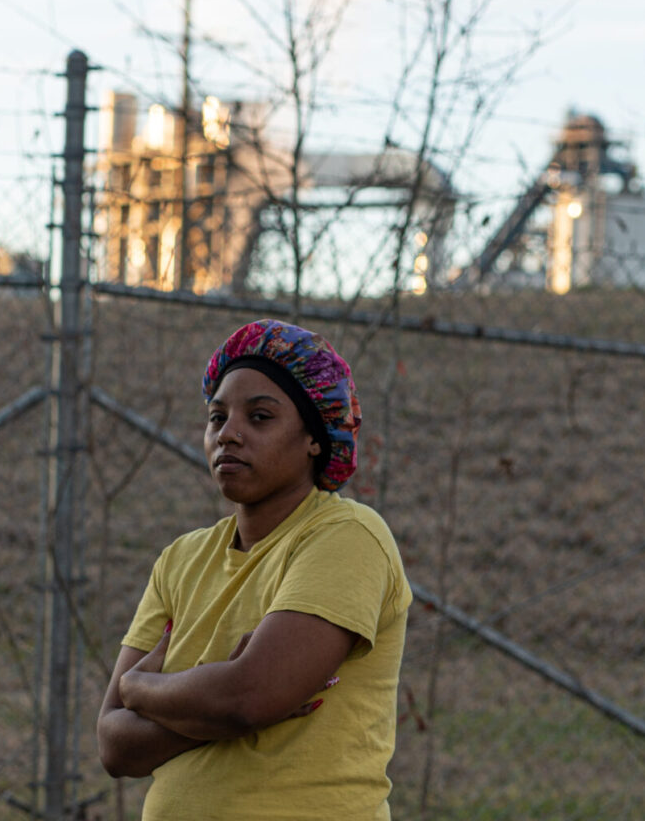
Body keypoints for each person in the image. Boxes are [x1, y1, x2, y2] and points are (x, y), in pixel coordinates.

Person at [97, 318, 411, 820]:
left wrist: (144, 689)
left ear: (314, 437)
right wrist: (217, 697)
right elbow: (115, 745)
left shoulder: (347, 537)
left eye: (260, 417)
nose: (229, 434)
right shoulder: (180, 560)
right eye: (216, 418)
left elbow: (248, 698)